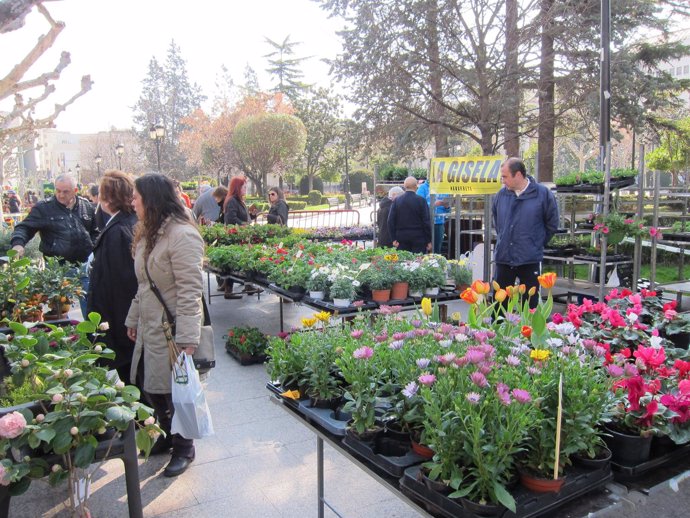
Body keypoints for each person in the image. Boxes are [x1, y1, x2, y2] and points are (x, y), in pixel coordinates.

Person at [125, 173, 204, 478]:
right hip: (150, 325)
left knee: (176, 391)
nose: (133, 202)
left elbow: (190, 291)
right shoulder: (149, 233)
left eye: (137, 196)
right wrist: (133, 319)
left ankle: (184, 448)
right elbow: (145, 283)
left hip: (171, 330)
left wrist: (187, 337)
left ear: (152, 199)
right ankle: (167, 434)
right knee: (153, 386)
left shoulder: (182, 235)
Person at [11, 173, 98, 317]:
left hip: (84, 267)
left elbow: (96, 231)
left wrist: (94, 251)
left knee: (90, 307)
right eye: (57, 190)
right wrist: (18, 244)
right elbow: (24, 227)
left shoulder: (86, 206)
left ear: (75, 191)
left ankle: (91, 337)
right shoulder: (44, 208)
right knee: (58, 313)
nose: (61, 195)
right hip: (58, 269)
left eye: (65, 191)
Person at [87, 171, 138, 385]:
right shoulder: (130, 223)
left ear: (107, 199)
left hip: (121, 324)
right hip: (127, 320)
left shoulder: (117, 231)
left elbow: (117, 285)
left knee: (132, 379)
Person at [492, 157, 559, 308]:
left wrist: (536, 242)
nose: (502, 180)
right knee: (499, 306)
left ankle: (527, 330)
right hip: (504, 257)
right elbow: (497, 223)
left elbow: (552, 224)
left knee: (529, 305)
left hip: (529, 259)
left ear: (518, 175)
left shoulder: (542, 195)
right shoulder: (501, 196)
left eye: (505, 176)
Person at [223, 176, 260, 298]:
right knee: (244, 260)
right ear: (238, 187)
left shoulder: (237, 200)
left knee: (243, 260)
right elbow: (231, 219)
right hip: (238, 236)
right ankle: (243, 287)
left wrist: (251, 216)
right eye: (244, 187)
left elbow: (241, 217)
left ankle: (246, 286)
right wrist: (245, 225)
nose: (246, 189)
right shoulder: (233, 200)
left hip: (242, 235)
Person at [387, 176, 432, 253]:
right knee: (418, 262)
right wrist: (428, 241)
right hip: (419, 237)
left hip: (401, 238)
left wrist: (393, 239)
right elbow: (426, 222)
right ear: (416, 186)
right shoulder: (421, 201)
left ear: (404, 186)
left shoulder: (397, 201)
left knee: (403, 262)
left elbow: (390, 221)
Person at [416, 179, 450, 254]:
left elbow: (448, 211)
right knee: (423, 249)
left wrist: (447, 206)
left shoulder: (444, 188)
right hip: (425, 223)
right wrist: (433, 205)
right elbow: (418, 206)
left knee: (437, 249)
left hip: (439, 223)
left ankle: (436, 264)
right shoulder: (423, 188)